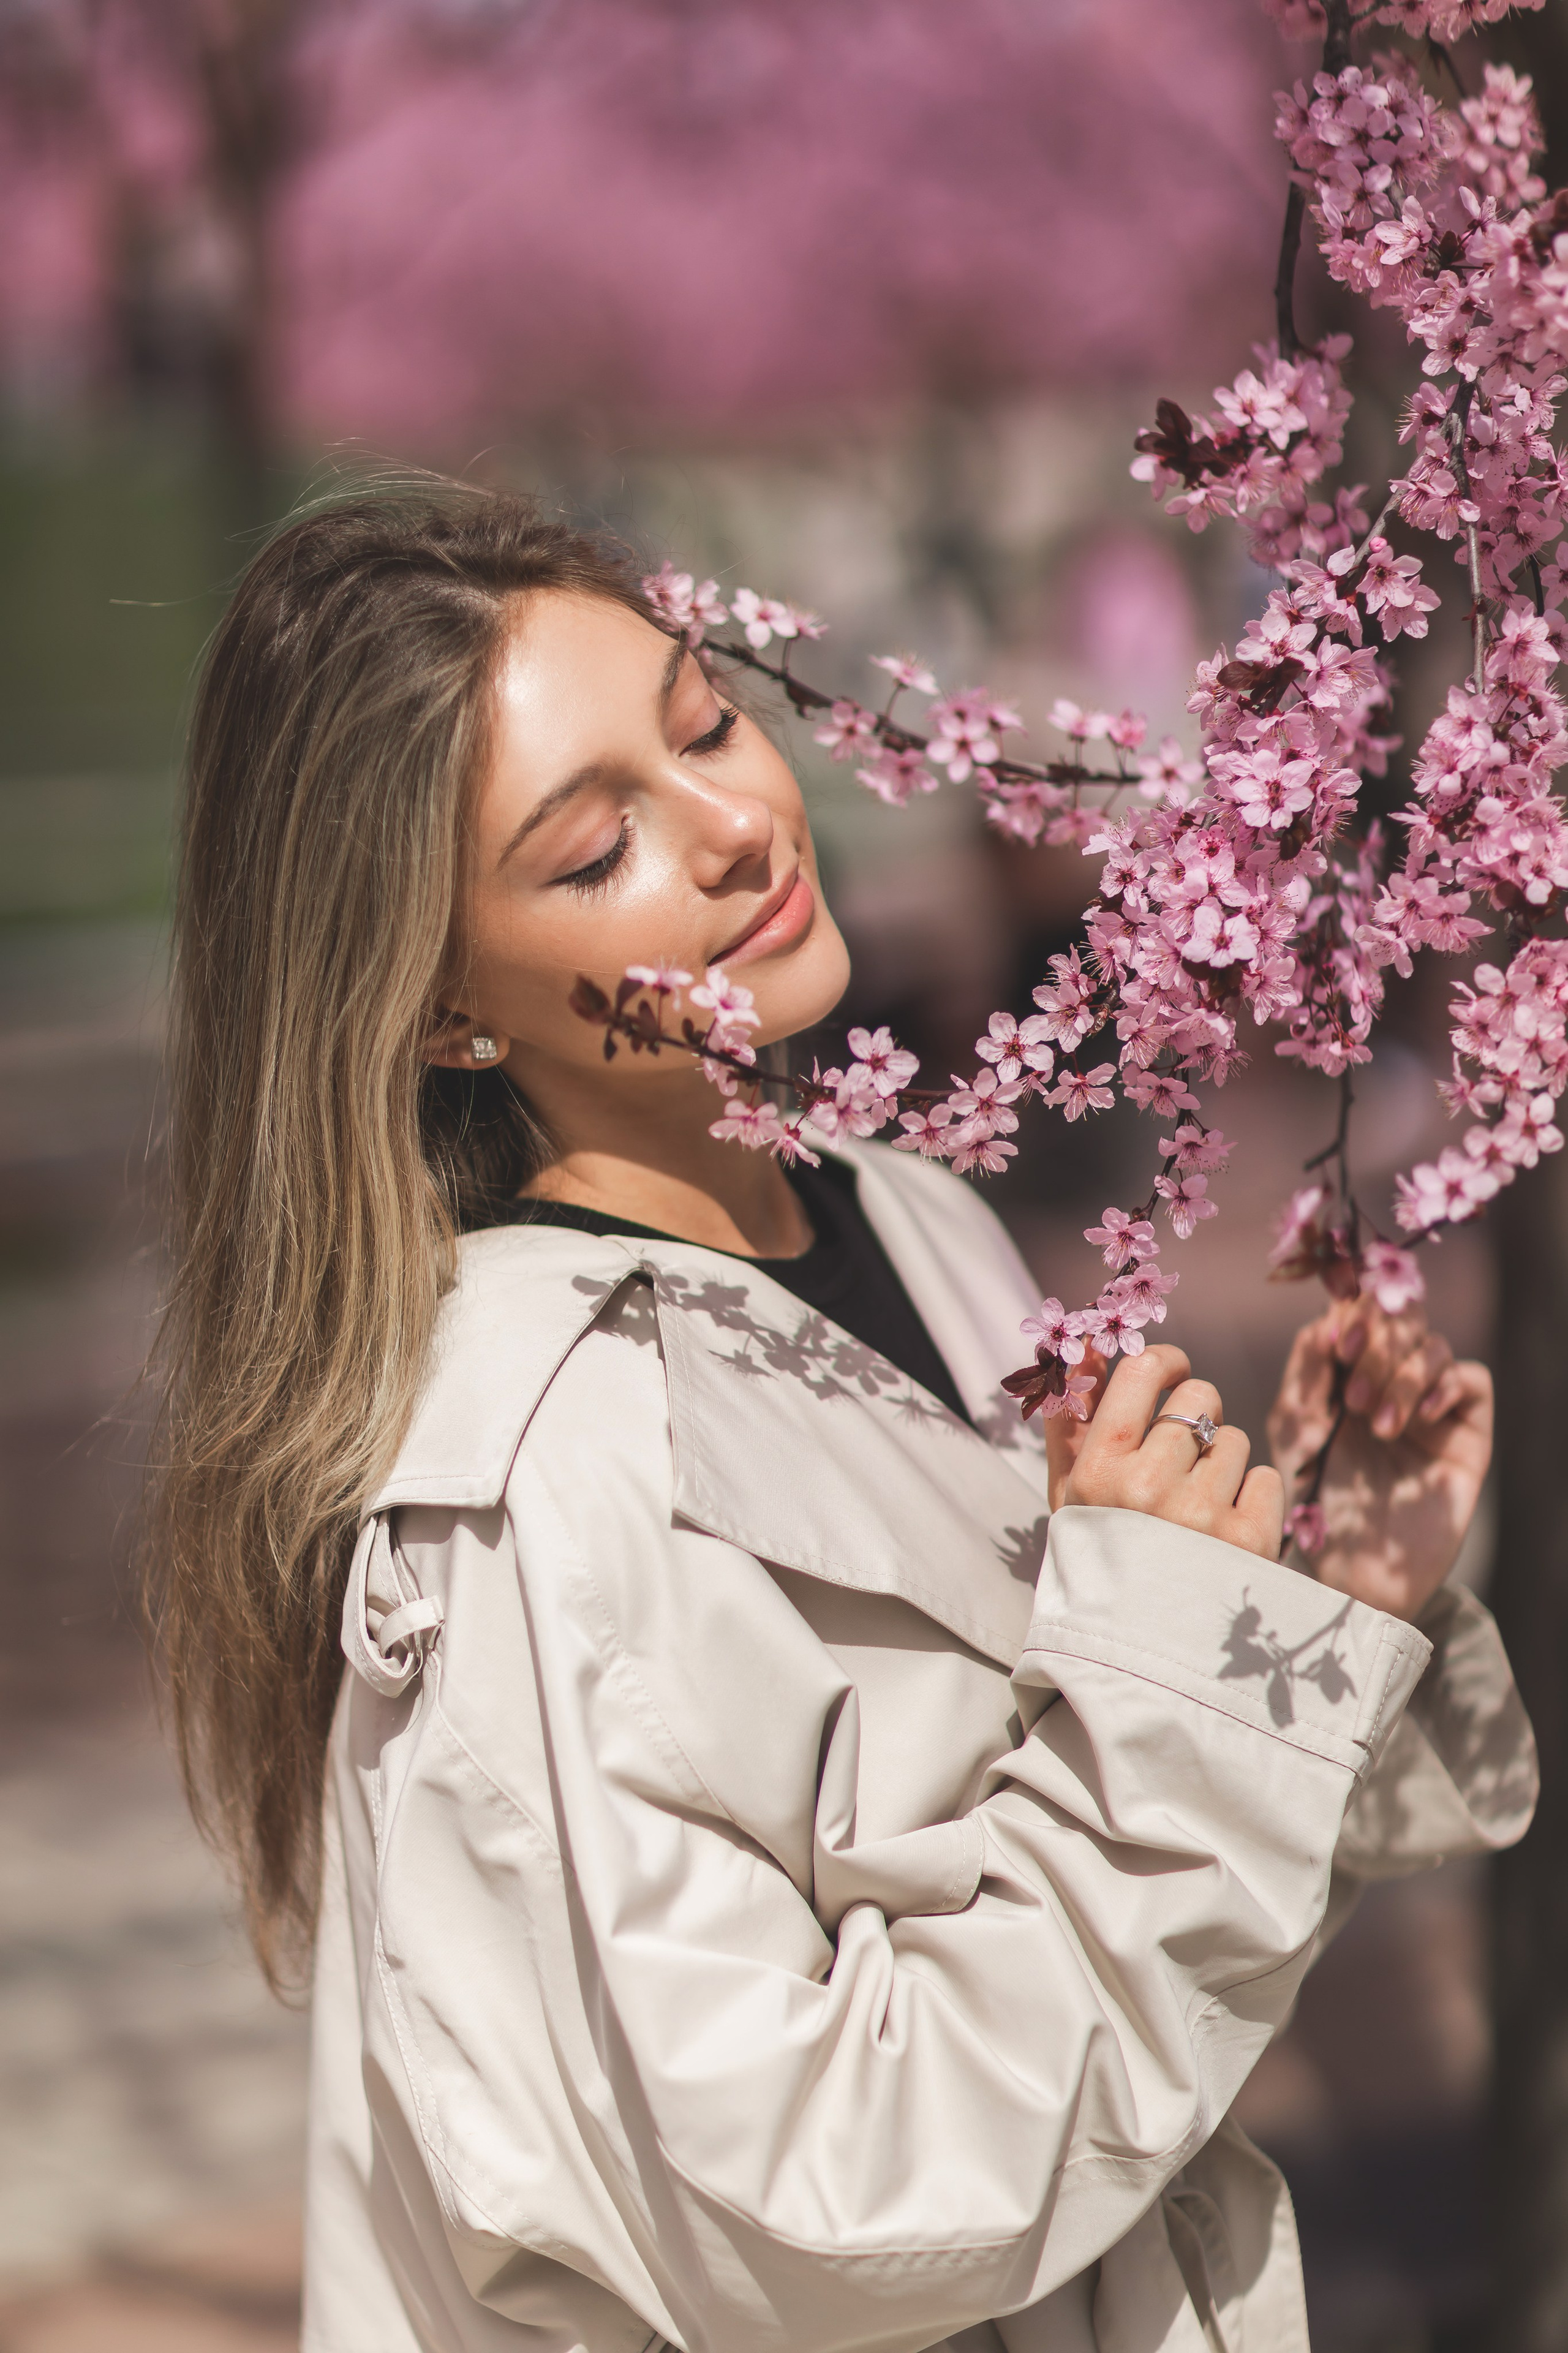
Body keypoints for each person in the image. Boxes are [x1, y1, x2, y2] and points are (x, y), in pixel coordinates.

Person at [144, 482, 1537, 2353]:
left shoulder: (910, 1214)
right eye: (592, 849)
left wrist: (1316, 1602)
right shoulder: (532, 1490)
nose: (734, 827)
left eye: (709, 719)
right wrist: (1170, 1669)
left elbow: (1126, 1941)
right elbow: (827, 2199)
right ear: (445, 1003)